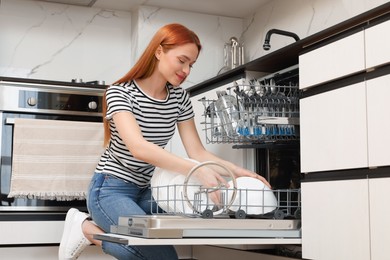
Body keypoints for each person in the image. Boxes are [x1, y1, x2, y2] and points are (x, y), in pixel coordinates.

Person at [58, 23, 271, 260]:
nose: (187, 70)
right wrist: (197, 172)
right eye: (182, 60)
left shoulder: (179, 98)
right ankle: (86, 229)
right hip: (111, 189)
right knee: (162, 255)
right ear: (159, 51)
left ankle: (89, 228)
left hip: (151, 190)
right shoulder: (120, 92)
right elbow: (139, 148)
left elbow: (197, 151)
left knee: (199, 214)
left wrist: (239, 173)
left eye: (191, 64)